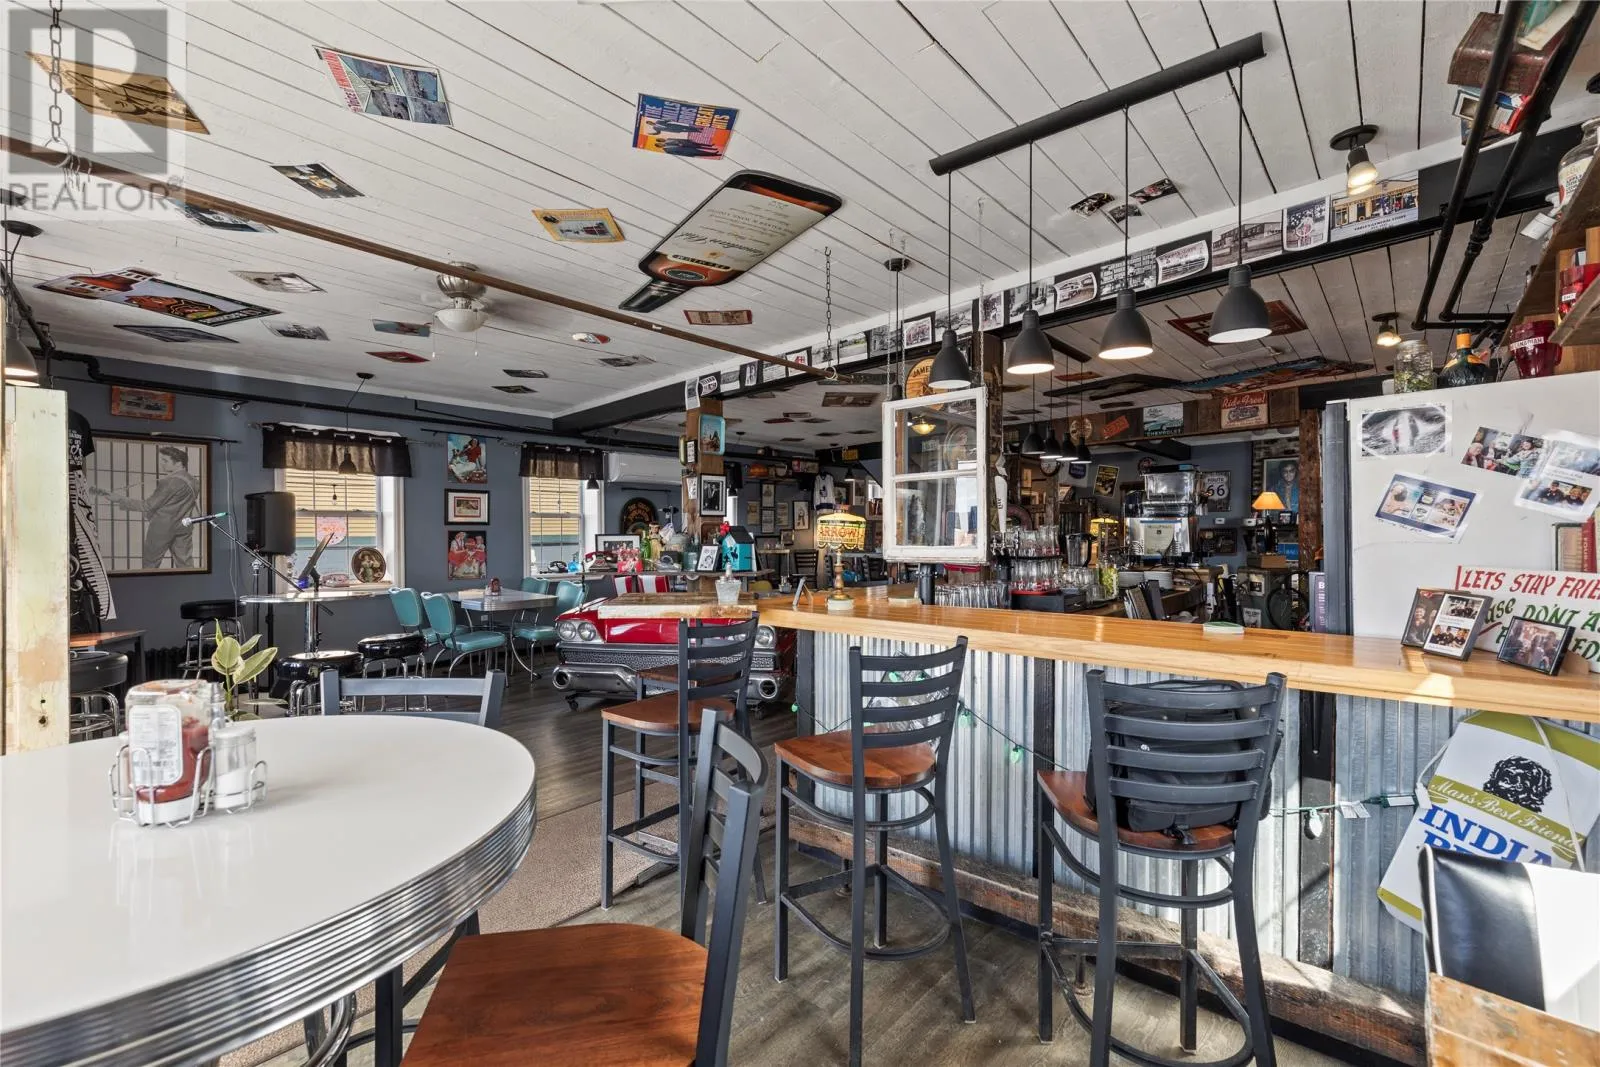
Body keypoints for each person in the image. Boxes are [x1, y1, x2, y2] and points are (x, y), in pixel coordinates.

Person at [91, 446, 199, 568]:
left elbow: (147, 505)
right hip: (184, 527)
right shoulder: (194, 481)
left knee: (150, 564)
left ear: (178, 463)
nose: (162, 464)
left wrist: (119, 499)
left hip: (161, 529)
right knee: (185, 565)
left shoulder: (169, 482)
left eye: (165, 461)